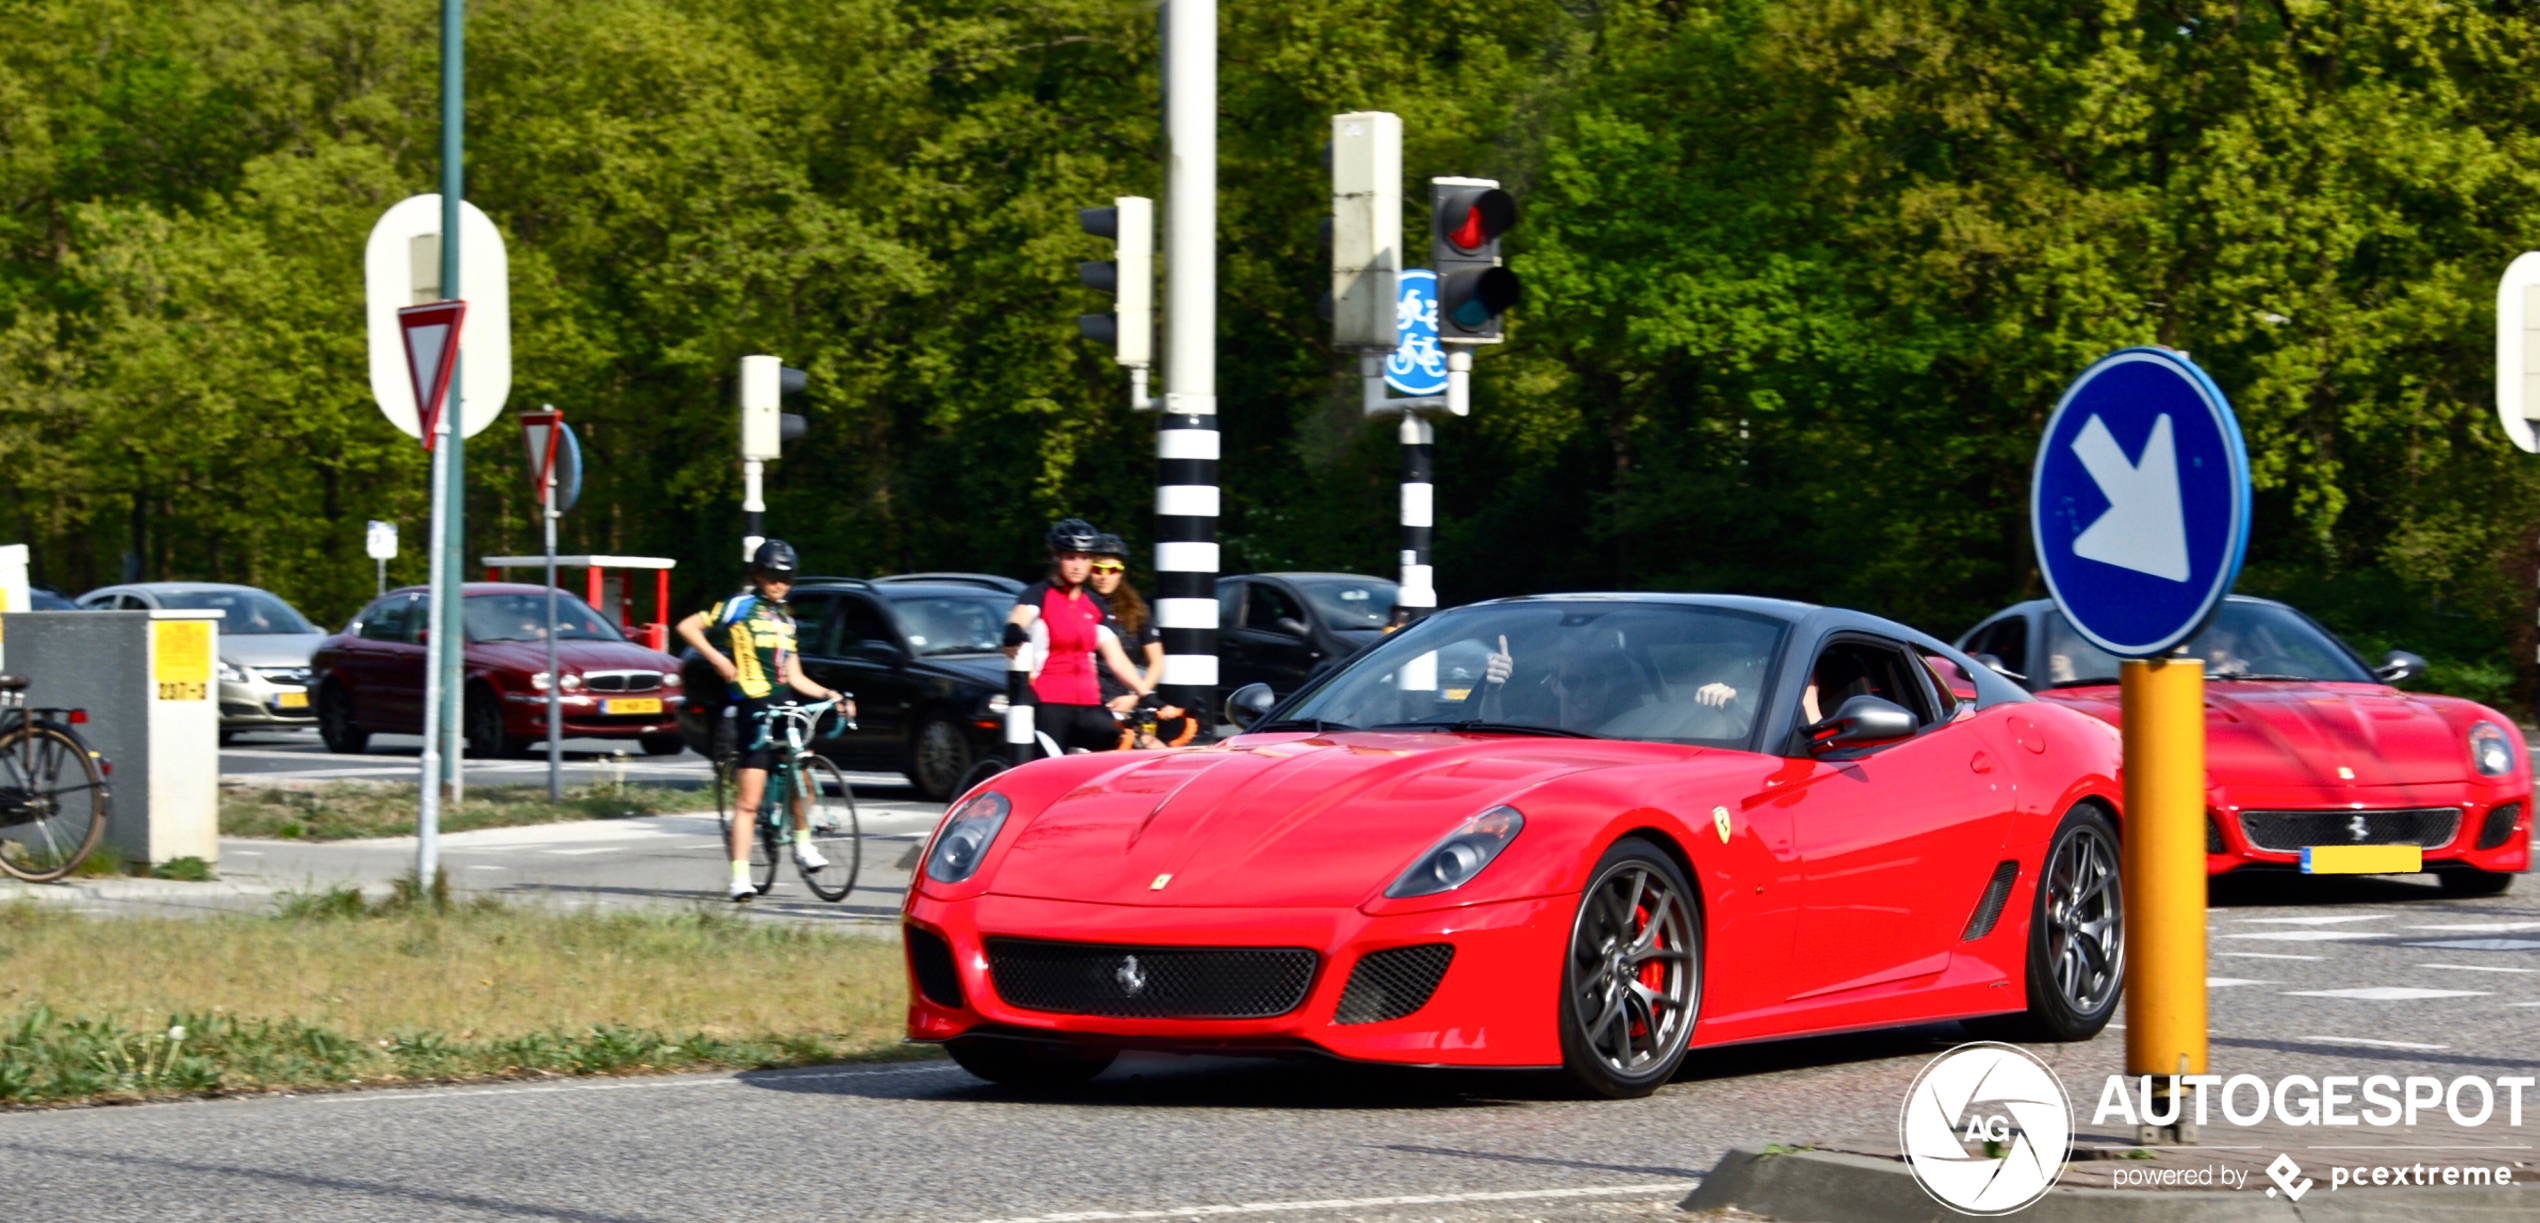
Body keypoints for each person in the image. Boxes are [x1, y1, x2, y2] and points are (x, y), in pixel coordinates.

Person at [674, 540, 853, 902]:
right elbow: (687, 627)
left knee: (802, 773)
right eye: (772, 576)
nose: (779, 583)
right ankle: (740, 877)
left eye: (786, 577)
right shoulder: (738, 606)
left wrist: (830, 695)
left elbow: (796, 676)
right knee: (749, 800)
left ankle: (803, 845)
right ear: (757, 575)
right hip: (753, 706)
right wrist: (718, 660)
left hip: (785, 705)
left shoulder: (786, 620)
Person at [1003, 519, 1153, 752]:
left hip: (1089, 703)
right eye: (1070, 557)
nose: (1077, 565)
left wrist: (1144, 693)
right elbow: (1020, 615)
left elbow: (1116, 657)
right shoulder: (1039, 594)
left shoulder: (1092, 603)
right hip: (1049, 701)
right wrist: (1013, 630)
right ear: (1056, 557)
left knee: (1119, 745)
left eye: (1084, 558)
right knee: (1050, 773)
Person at [1088, 534, 1185, 747]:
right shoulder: (1077, 603)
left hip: (1126, 698)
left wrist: (1134, 697)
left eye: (1112, 570)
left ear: (1121, 573)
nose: (1105, 576)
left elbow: (1157, 662)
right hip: (1087, 699)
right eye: (1098, 569)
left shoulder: (1137, 609)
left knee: (1152, 750)